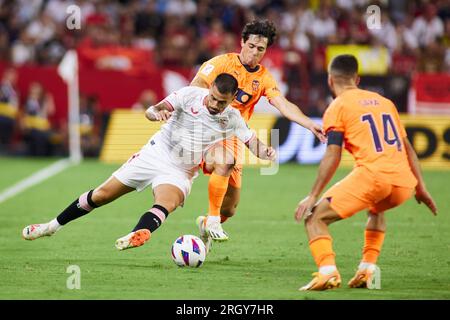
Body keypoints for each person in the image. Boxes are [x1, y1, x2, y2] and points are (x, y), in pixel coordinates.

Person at [22, 73, 276, 251]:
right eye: (213, 98)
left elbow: (252, 142)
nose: (214, 104)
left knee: (166, 203)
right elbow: (152, 109)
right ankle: (51, 226)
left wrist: (267, 153)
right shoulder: (189, 95)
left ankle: (138, 233)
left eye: (222, 102)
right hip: (155, 154)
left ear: (231, 101)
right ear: (209, 91)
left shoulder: (231, 117)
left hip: (181, 170)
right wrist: (157, 113)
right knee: (100, 195)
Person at [294, 54, 437, 291]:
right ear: (357, 79)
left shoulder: (337, 106)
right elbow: (409, 150)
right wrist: (420, 187)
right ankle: (367, 270)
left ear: (330, 80)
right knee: (377, 208)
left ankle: (327, 272)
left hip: (374, 177)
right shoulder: (384, 102)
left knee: (314, 217)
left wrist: (312, 195)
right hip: (403, 183)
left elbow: (333, 155)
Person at [190, 19, 326, 246]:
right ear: (242, 42)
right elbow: (195, 87)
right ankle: (212, 219)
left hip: (234, 136)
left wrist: (309, 123)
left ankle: (208, 222)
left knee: (231, 208)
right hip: (206, 129)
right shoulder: (221, 63)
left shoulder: (263, 78)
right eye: (251, 46)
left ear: (265, 51)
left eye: (260, 49)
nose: (254, 52)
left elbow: (283, 104)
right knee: (224, 161)